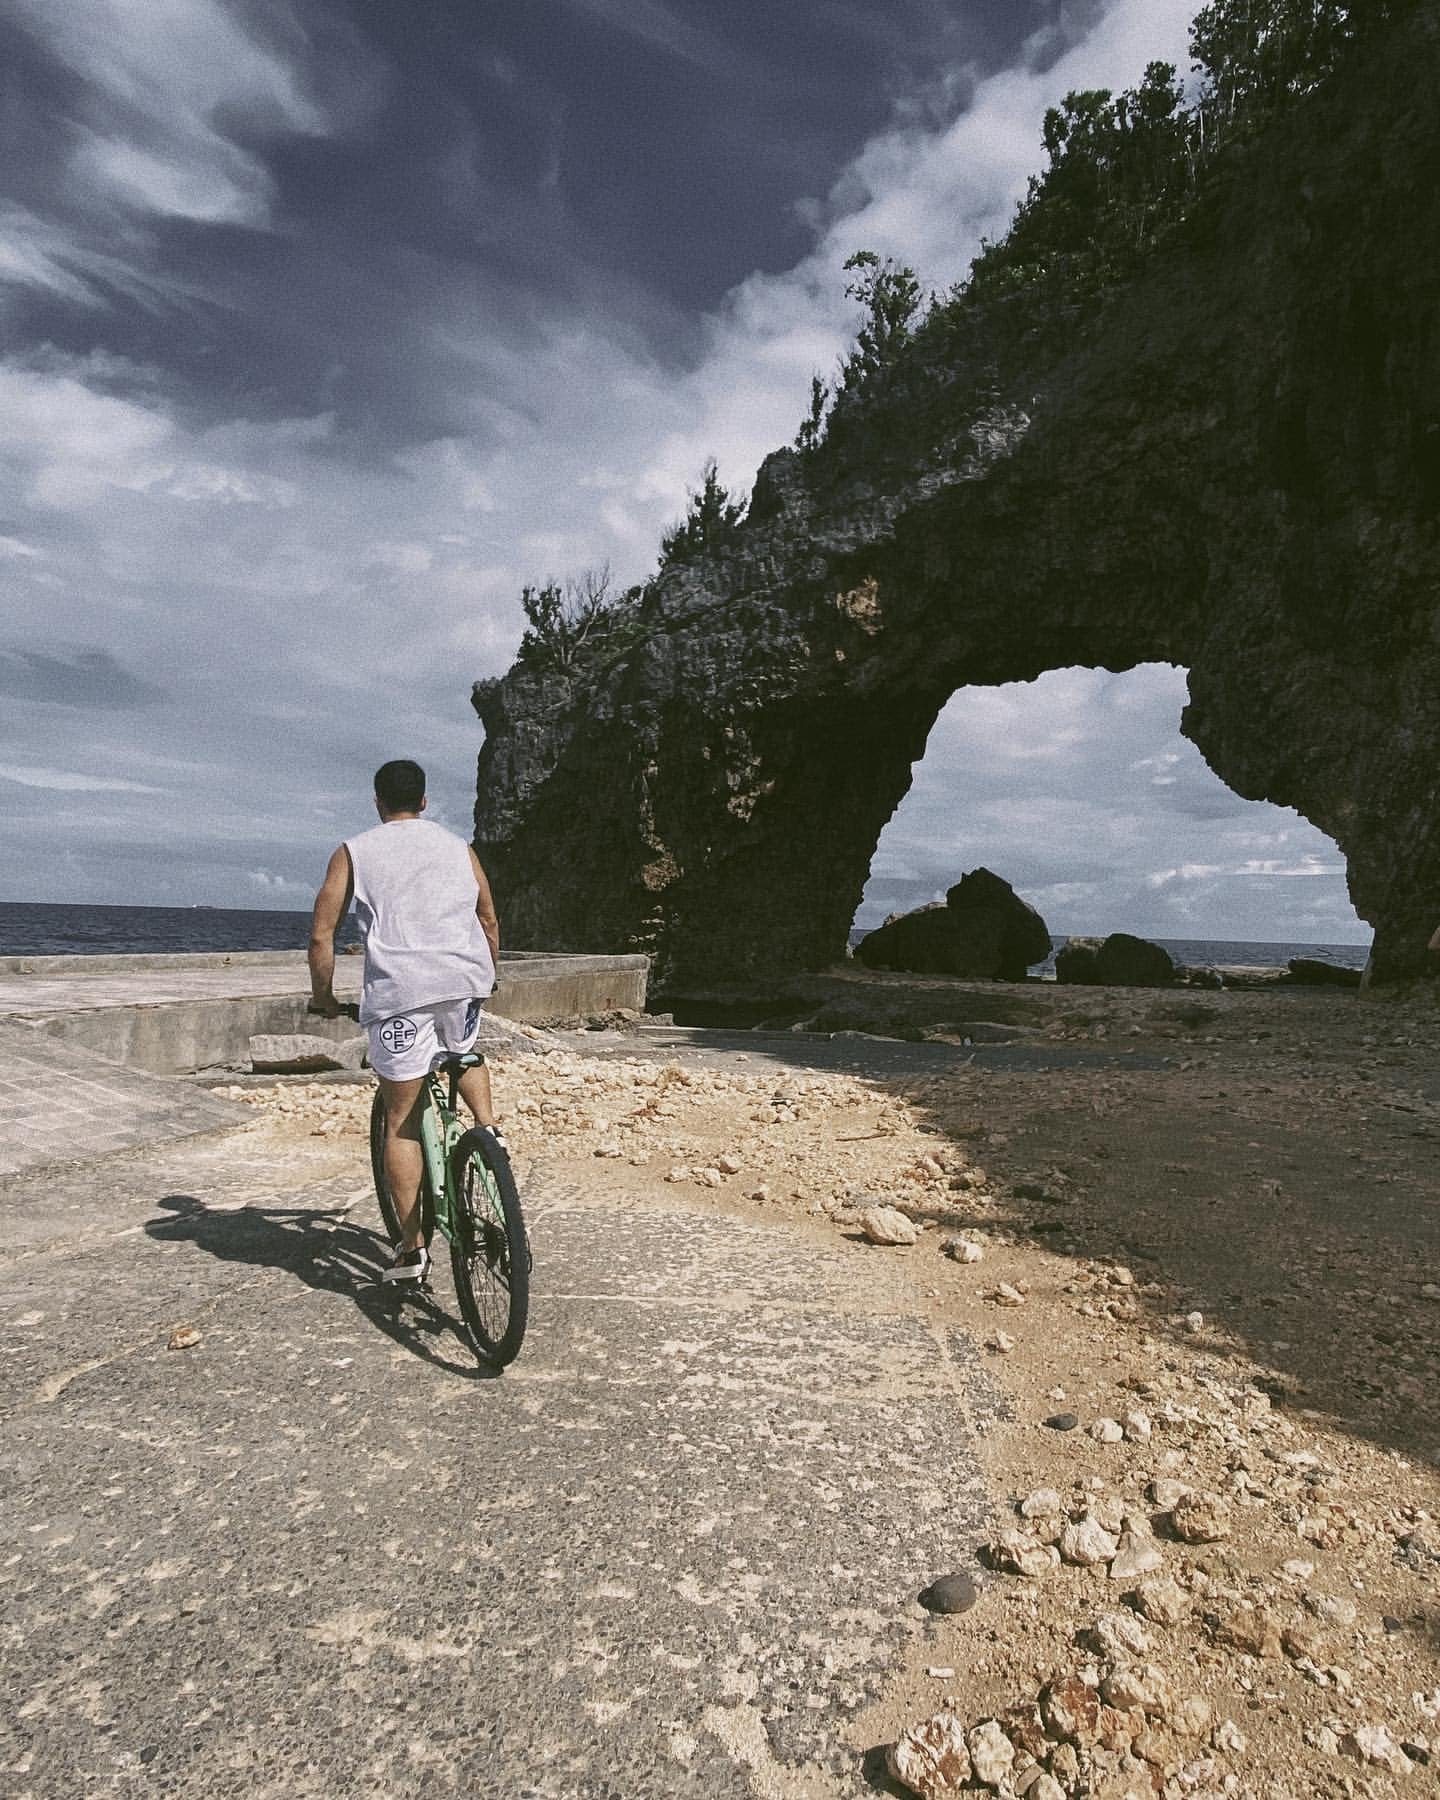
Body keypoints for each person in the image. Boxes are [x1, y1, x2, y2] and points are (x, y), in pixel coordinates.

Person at [308, 758, 502, 1285]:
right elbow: (487, 917)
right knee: (464, 1050)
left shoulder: (354, 851)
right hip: (463, 980)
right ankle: (490, 1133)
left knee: (401, 1120)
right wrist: (487, 975)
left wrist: (324, 998)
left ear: (377, 802)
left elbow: (322, 935)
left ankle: (413, 1248)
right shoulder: (458, 847)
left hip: (401, 994)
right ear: (424, 801)